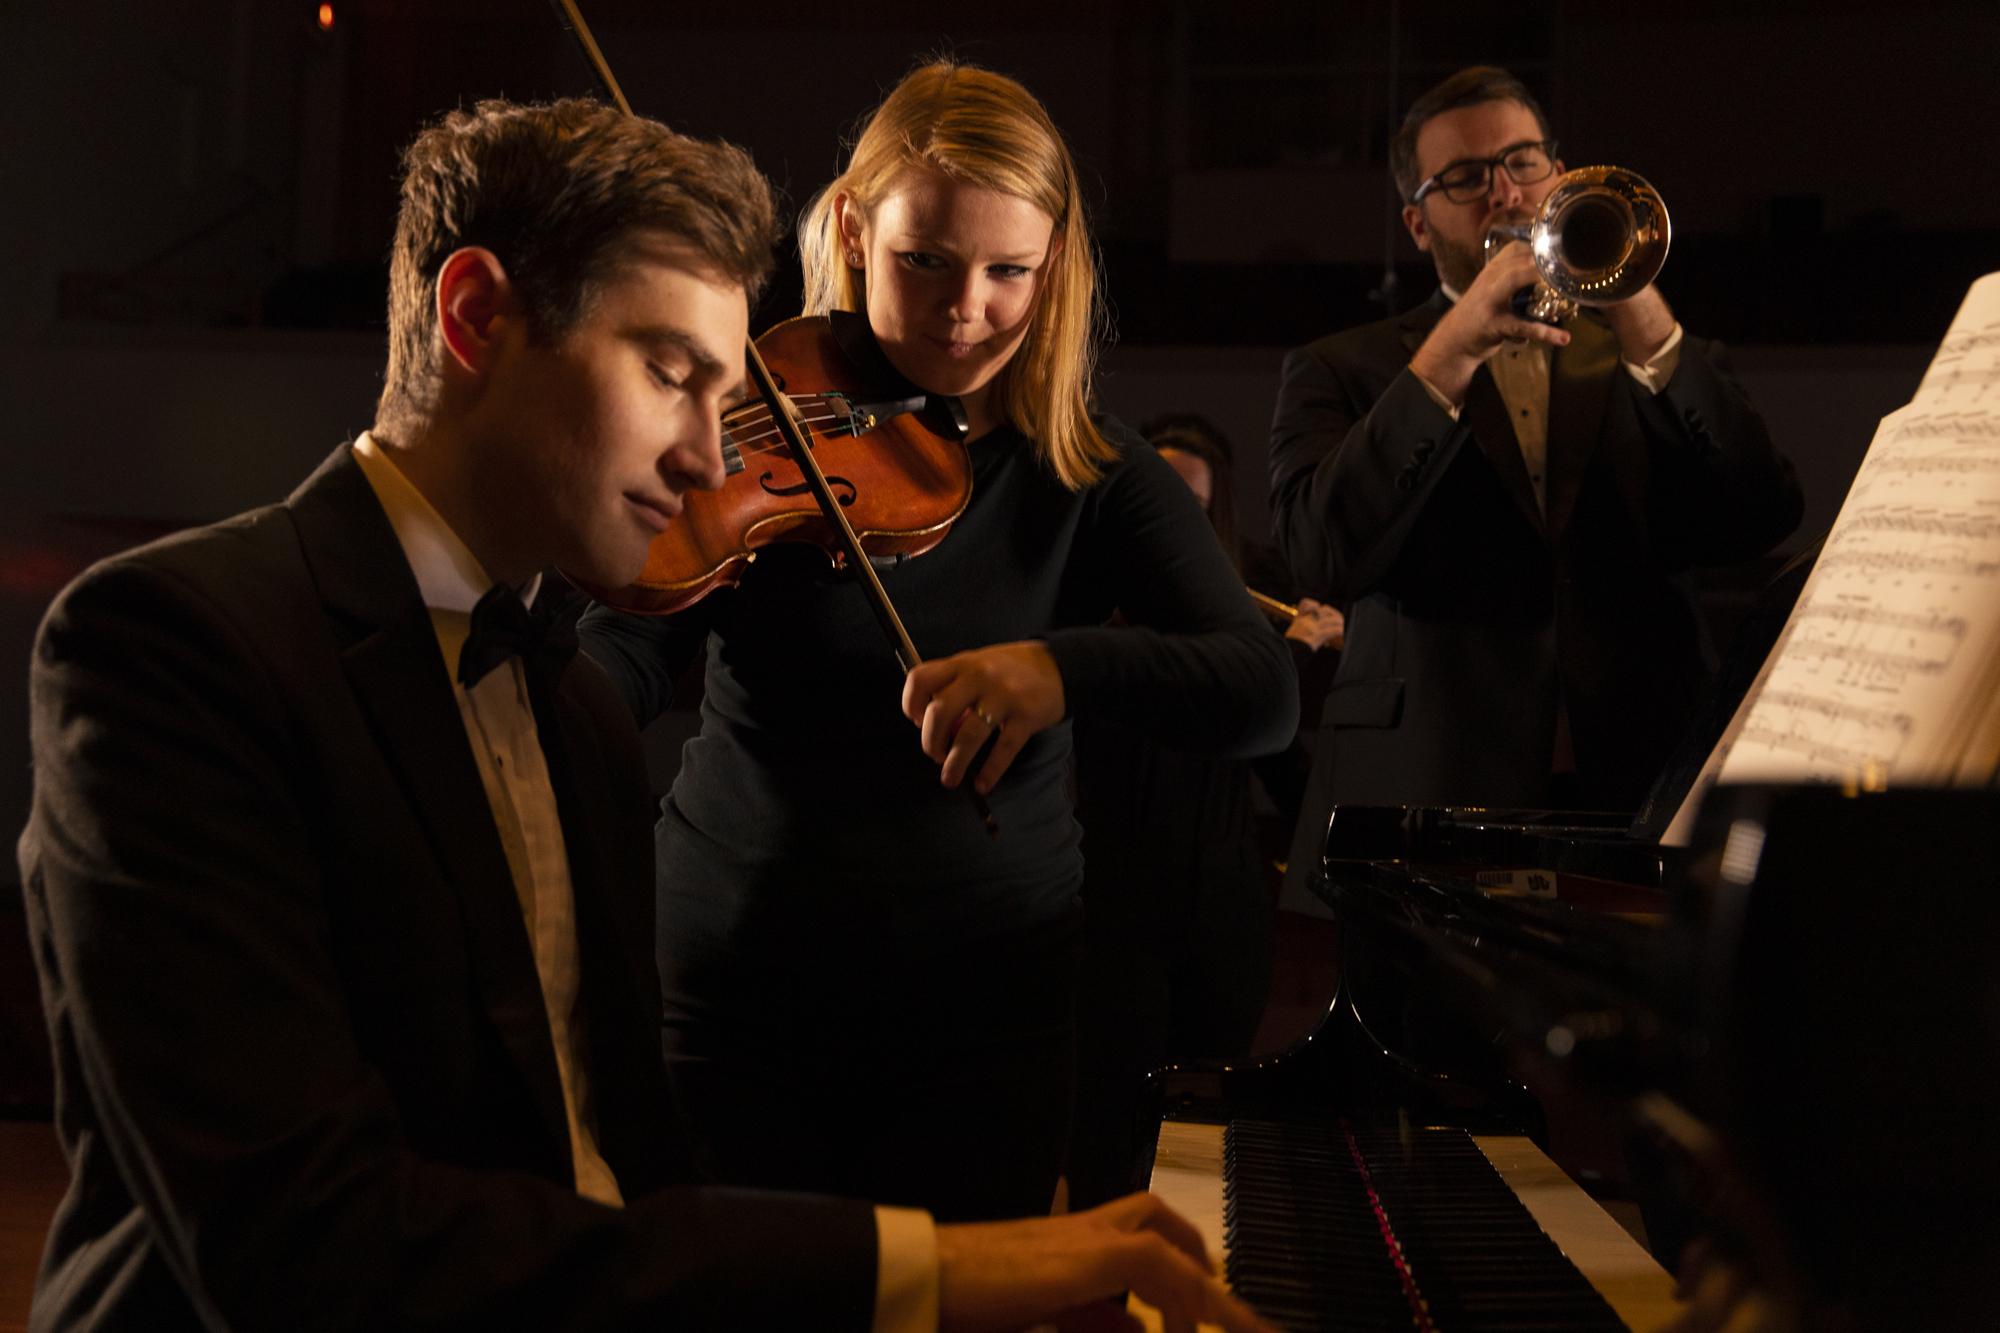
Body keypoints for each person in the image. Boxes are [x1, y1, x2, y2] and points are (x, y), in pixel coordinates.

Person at [17, 97, 1273, 1333]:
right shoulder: (179, 649)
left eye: (728, 388)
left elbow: (613, 1185)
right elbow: (304, 1239)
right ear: (474, 317)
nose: (721, 460)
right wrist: (939, 1273)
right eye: (675, 374)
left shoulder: (562, 709)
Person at [578, 63, 1297, 1225]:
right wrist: (537, 710)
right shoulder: (755, 413)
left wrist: (1056, 668)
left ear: (1053, 263)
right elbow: (627, 652)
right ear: (855, 232)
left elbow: (1259, 689)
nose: (967, 310)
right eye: (925, 262)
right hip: (734, 989)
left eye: (1008, 272)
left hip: (986, 1007)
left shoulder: (1089, 470)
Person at [1268, 65, 1803, 830]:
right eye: (1464, 177)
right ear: (1417, 225)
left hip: (1642, 780)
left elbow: (1763, 512)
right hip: (1426, 789)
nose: (1506, 193)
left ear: (1560, 172)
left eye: (1523, 161)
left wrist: (1644, 320)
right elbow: (1318, 555)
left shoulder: (1650, 348)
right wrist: (1447, 358)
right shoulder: (1338, 367)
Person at [1066, 415, 1340, 1210]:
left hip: (1222, 908)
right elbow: (1161, 714)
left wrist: (1286, 666)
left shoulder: (1241, 641)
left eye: (1193, 508)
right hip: (1115, 909)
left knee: (1206, 1120)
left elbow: (1288, 772)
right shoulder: (1097, 616)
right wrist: (1279, 650)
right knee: (1107, 1121)